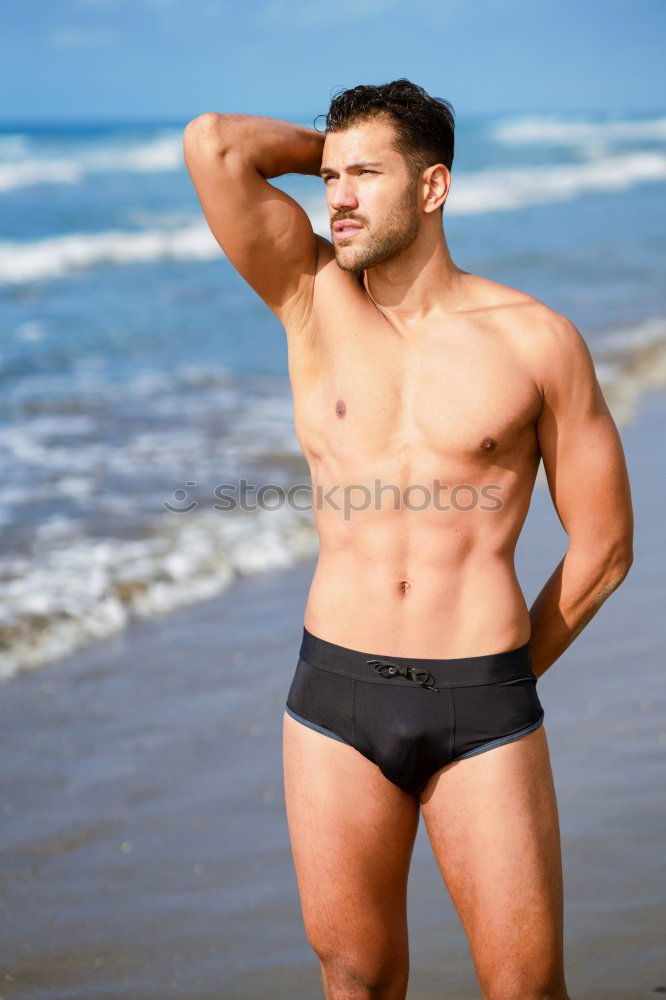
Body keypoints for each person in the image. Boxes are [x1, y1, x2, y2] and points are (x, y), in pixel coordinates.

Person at [183, 79, 634, 1000]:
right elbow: (215, 144)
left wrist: (499, 680)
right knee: (356, 976)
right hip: (334, 700)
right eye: (329, 176)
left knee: (525, 987)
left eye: (367, 175)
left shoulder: (537, 340)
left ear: (433, 188)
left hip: (483, 703)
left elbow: (605, 549)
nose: (336, 197)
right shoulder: (309, 296)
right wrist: (345, 159)